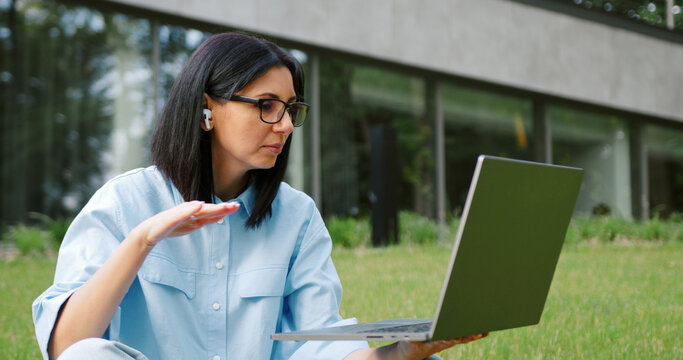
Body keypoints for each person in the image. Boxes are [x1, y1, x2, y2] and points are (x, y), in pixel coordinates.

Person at [32, 32, 486, 360]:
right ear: (208, 107)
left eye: (291, 109)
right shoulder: (124, 203)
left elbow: (319, 346)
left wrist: (404, 351)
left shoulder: (296, 217)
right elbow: (67, 346)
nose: (286, 125)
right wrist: (143, 239)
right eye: (267, 105)